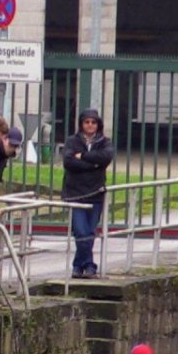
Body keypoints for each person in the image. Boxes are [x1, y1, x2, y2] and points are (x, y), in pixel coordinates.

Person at [61, 108, 113, 279]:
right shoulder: (72, 141)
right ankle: (89, 264)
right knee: (81, 231)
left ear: (98, 124)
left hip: (96, 193)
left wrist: (82, 156)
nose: (90, 125)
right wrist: (93, 166)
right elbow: (68, 162)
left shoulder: (105, 142)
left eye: (93, 122)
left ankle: (79, 265)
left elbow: (105, 158)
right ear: (81, 124)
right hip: (76, 194)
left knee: (90, 232)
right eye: (86, 122)